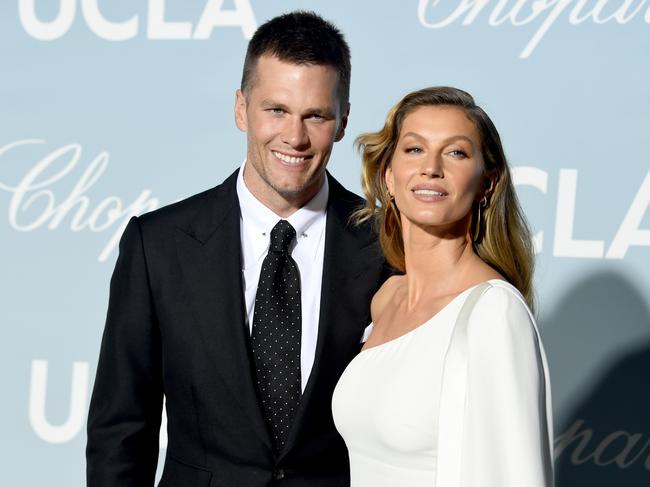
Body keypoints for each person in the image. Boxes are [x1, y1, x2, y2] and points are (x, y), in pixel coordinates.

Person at [86, 11, 387, 487]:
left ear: (343, 120)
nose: (295, 136)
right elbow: (120, 431)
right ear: (241, 109)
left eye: (316, 115)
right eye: (276, 110)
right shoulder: (158, 245)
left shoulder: (388, 244)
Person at [332, 86, 554, 486]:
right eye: (414, 149)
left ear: (487, 181)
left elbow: (514, 475)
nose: (431, 167)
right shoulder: (386, 298)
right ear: (388, 177)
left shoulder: (493, 313)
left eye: (456, 152)